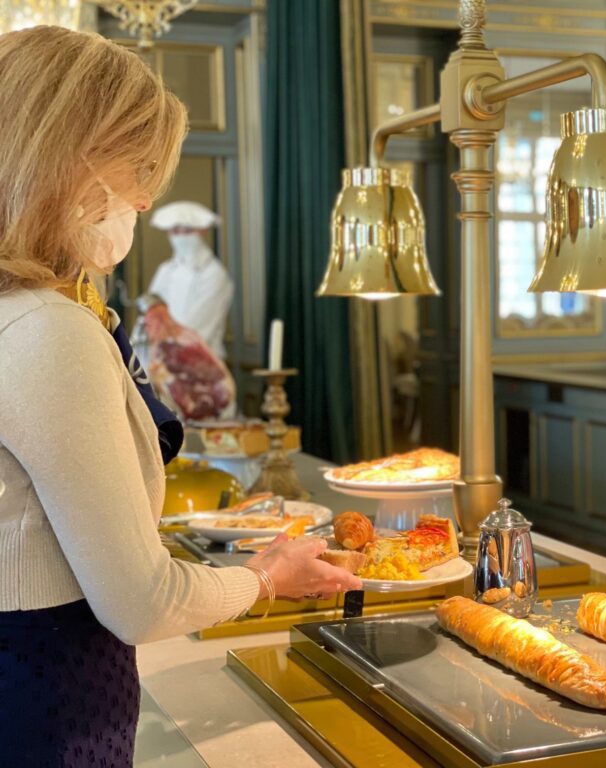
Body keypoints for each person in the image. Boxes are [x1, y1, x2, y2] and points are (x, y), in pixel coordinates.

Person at [0, 27, 360, 765]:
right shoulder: (46, 329)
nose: (143, 197)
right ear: (65, 160)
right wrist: (264, 576)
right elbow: (141, 600)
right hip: (47, 696)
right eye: (136, 169)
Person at [147, 200, 233, 359]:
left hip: (202, 359)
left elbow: (197, 327)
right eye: (174, 231)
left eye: (186, 231)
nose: (180, 237)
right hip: (161, 356)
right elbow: (150, 311)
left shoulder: (214, 274)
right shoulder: (165, 270)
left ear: (202, 231)